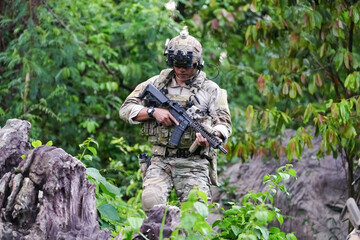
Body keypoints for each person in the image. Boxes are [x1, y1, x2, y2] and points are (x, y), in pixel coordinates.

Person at [119, 27, 232, 213]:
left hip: (194, 163)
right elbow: (125, 109)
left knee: (195, 213)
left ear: (197, 63)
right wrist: (152, 111)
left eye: (186, 66)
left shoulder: (210, 89)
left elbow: (224, 123)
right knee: (151, 202)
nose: (181, 70)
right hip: (161, 159)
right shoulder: (156, 83)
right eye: (176, 64)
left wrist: (215, 133)